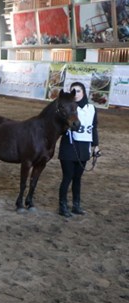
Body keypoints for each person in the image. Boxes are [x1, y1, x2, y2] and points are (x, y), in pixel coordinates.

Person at [57, 82, 100, 217]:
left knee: (77, 178)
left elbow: (93, 128)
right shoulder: (66, 108)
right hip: (69, 147)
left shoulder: (92, 109)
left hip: (83, 148)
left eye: (78, 91)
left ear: (83, 92)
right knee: (67, 177)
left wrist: (96, 146)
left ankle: (76, 205)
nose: (76, 94)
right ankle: (62, 206)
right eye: (73, 91)